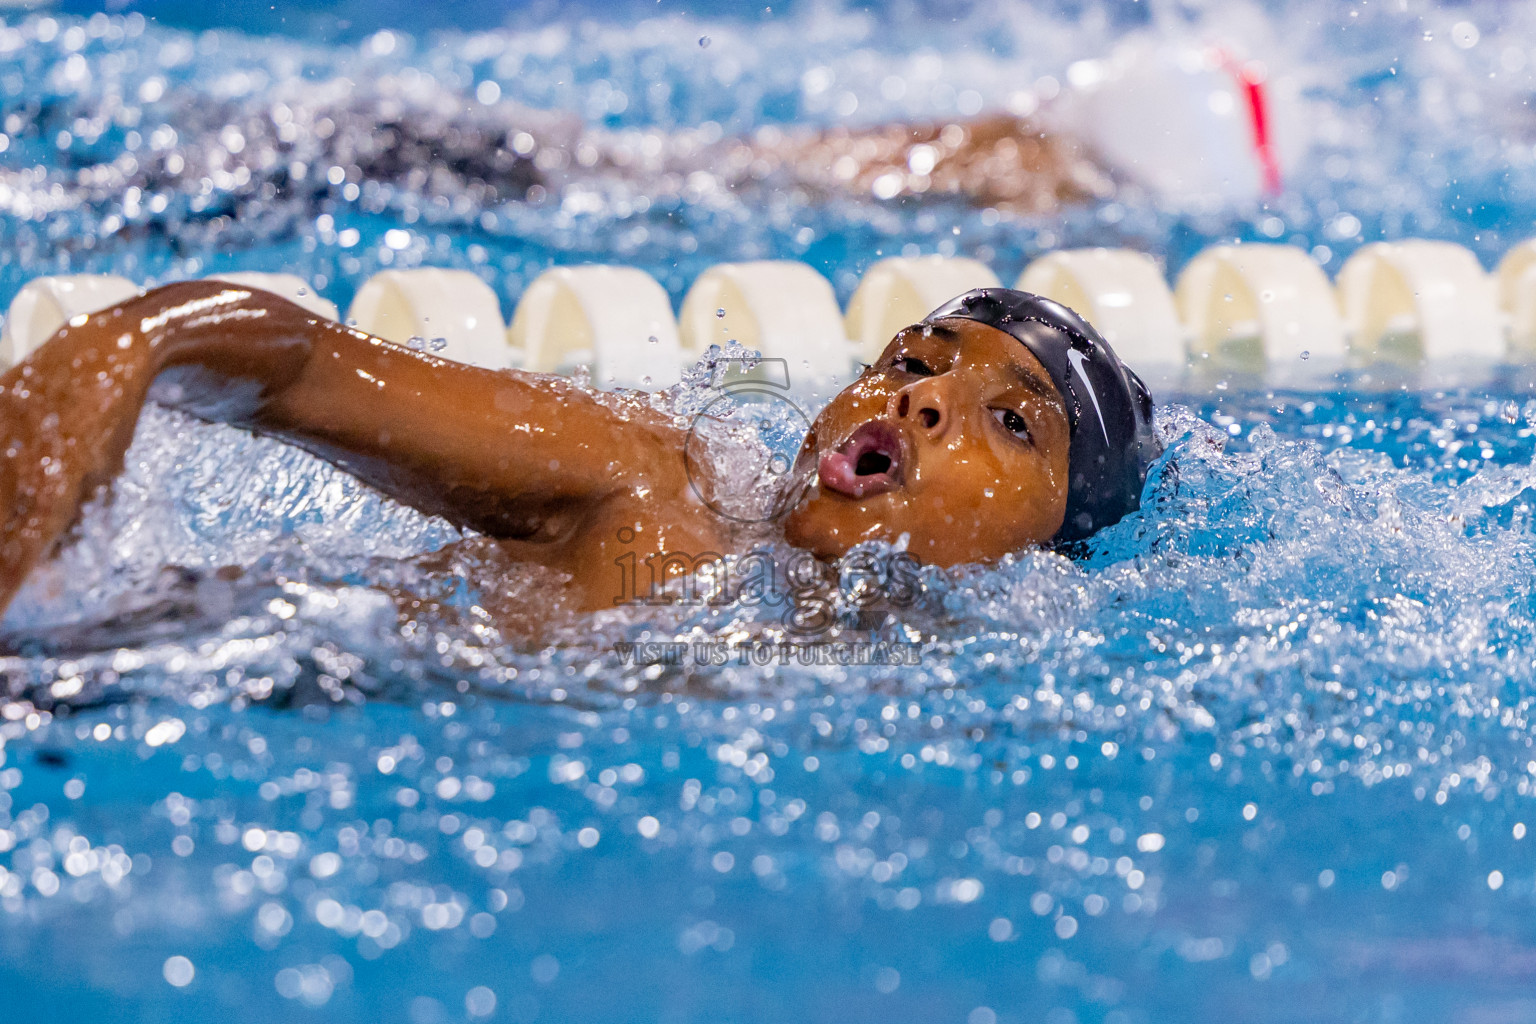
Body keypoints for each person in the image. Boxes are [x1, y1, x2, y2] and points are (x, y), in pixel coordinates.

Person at [0, 281, 1158, 627]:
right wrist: (125, 347)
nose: (922, 403)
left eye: (1014, 422)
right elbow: (293, 361)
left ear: (1056, 545)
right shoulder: (658, 490)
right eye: (911, 363)